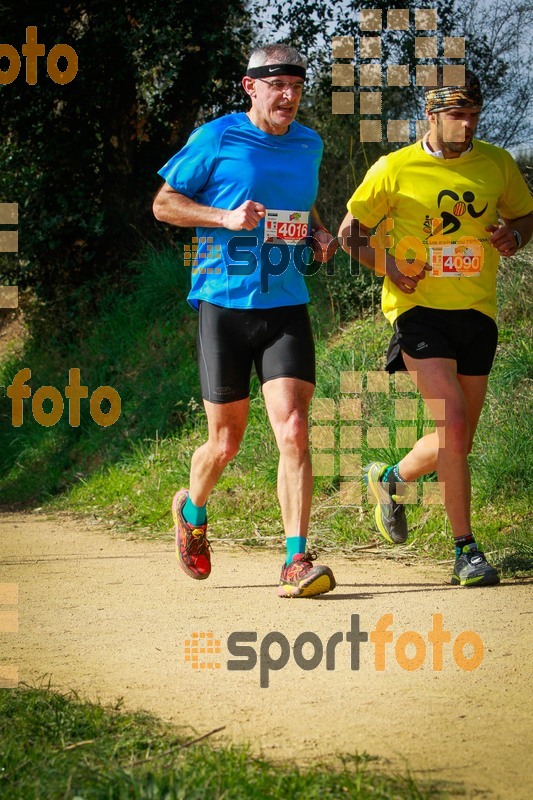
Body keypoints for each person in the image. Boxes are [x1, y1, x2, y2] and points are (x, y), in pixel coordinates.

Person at [153, 43, 337, 598]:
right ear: (250, 86)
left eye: (297, 87)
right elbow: (164, 203)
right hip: (224, 305)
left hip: (285, 303)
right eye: (277, 85)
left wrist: (319, 232)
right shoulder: (217, 138)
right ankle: (192, 508)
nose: (288, 96)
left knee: (296, 428)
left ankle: (296, 560)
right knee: (225, 443)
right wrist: (225, 217)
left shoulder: (310, 143)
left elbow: (302, 205)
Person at [338, 71, 533, 586]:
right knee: (450, 424)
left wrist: (514, 233)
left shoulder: (497, 163)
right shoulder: (394, 168)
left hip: (477, 310)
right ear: (432, 114)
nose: (467, 125)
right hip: (417, 308)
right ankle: (466, 551)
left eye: (473, 115)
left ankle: (391, 478)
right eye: (457, 115)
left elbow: (527, 215)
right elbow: (349, 233)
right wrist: (389, 269)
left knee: (459, 437)